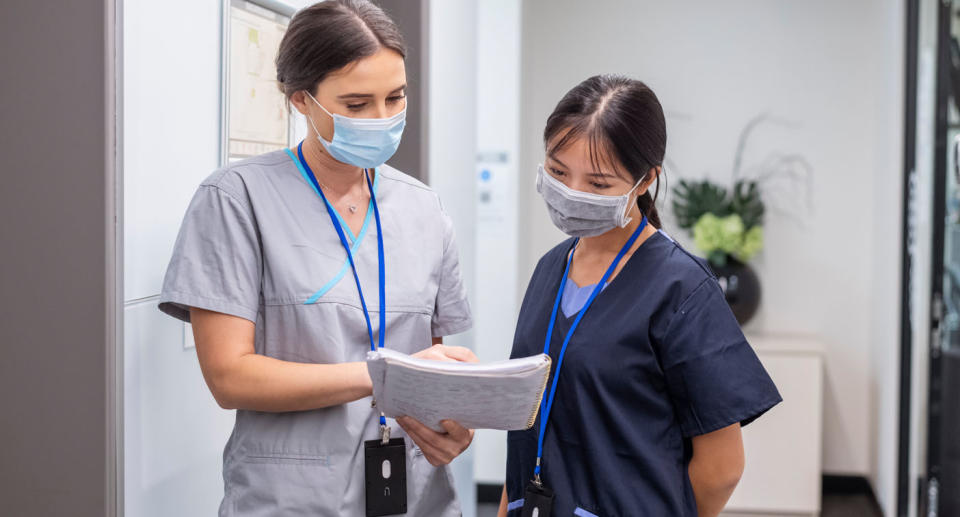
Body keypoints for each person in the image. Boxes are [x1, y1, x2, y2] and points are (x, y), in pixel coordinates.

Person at [158, 1, 475, 515]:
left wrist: (453, 429)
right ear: (301, 101)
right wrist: (384, 374)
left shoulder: (424, 208)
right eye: (356, 104)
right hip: (292, 499)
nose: (383, 119)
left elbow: (429, 368)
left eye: (396, 97)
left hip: (416, 493)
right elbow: (229, 377)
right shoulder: (236, 199)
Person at [498, 75, 782, 517]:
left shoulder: (682, 289)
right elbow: (526, 424)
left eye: (597, 184)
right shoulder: (550, 269)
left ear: (646, 179)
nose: (572, 192)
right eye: (557, 171)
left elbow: (722, 466)